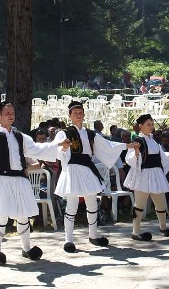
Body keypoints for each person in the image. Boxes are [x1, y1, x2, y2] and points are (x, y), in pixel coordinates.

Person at [0, 102, 62, 264]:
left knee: (23, 215)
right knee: (0, 217)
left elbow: (37, 149)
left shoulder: (20, 136)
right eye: (7, 112)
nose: (11, 115)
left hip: (20, 179)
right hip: (1, 180)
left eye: (12, 112)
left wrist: (57, 146)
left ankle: (26, 248)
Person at [52, 100, 132, 252]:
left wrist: (126, 146)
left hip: (87, 168)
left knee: (92, 203)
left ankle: (93, 235)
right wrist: (62, 148)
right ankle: (68, 240)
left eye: (80, 112)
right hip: (73, 168)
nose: (78, 115)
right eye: (75, 113)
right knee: (72, 205)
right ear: (69, 115)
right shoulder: (64, 133)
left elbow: (107, 145)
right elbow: (56, 148)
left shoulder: (89, 133)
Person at [123, 114, 169, 241]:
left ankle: (163, 227)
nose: (151, 126)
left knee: (161, 203)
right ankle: (136, 232)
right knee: (139, 204)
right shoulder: (138, 141)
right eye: (148, 124)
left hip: (156, 175)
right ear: (140, 126)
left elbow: (162, 156)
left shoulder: (154, 141)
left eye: (152, 124)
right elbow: (130, 159)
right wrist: (136, 152)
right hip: (143, 175)